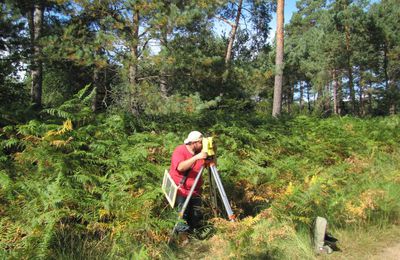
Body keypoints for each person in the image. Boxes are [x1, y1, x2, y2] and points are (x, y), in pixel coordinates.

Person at [169, 130, 208, 235]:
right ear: (193, 143)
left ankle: (192, 233)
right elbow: (180, 167)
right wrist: (196, 157)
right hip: (181, 190)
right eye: (200, 142)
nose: (202, 144)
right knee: (182, 214)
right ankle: (182, 237)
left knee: (195, 214)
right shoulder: (180, 150)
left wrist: (213, 153)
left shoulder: (202, 152)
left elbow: (212, 166)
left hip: (195, 190)